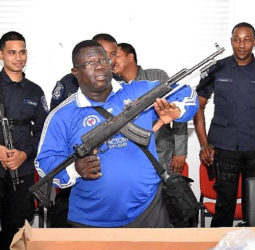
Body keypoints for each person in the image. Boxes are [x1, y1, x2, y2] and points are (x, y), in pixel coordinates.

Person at [35, 40, 198, 227]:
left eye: (103, 60)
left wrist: (176, 109)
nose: (99, 67)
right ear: (75, 72)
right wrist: (75, 169)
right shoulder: (62, 115)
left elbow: (185, 91)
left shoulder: (139, 91)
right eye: (90, 63)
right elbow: (44, 162)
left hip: (149, 210)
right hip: (91, 219)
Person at [193, 22, 255, 227]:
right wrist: (204, 144)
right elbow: (197, 107)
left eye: (247, 40)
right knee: (224, 205)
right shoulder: (216, 69)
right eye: (237, 39)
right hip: (224, 148)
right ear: (231, 41)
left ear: (254, 42)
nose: (241, 45)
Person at [48, 33, 121, 228]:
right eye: (101, 55)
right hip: (74, 179)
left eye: (111, 55)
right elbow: (56, 130)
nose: (104, 62)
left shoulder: (122, 86)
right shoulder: (67, 84)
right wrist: (73, 168)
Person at [0, 31, 48, 249]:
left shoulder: (35, 91)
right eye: (12, 52)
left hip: (24, 171)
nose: (18, 57)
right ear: (1, 55)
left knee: (18, 232)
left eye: (22, 52)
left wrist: (24, 154)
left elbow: (43, 132)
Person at [114, 42, 188, 173]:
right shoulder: (113, 86)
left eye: (116, 56)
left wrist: (180, 151)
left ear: (130, 57)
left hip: (160, 152)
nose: (112, 60)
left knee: (162, 192)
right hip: (127, 156)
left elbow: (176, 110)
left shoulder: (156, 77)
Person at [50, 33, 122, 110]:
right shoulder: (67, 83)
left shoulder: (120, 84)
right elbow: (55, 115)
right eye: (102, 52)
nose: (108, 58)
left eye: (113, 54)